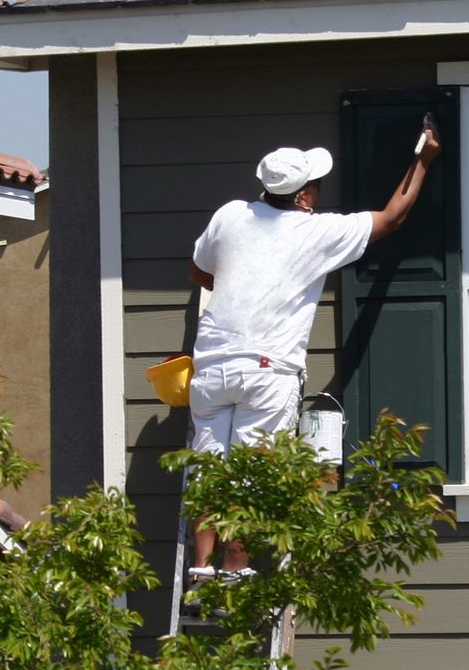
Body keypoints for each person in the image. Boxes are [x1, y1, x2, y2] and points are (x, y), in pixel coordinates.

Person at [186, 124, 441, 571]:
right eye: (315, 187)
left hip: (211, 365)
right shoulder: (315, 232)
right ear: (302, 196)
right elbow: (392, 217)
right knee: (251, 476)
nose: (318, 194)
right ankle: (233, 571)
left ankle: (203, 568)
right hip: (266, 371)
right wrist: (423, 161)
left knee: (210, 474)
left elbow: (200, 273)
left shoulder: (229, 216)